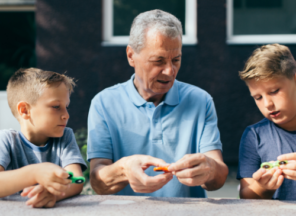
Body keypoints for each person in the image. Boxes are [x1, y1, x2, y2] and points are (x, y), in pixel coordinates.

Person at [88, 9, 228, 198]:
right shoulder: (104, 103)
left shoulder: (200, 101)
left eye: (176, 60)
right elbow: (98, 182)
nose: (170, 71)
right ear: (131, 56)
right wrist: (124, 169)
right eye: (158, 61)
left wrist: (209, 169)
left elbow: (218, 177)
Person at [0, 68, 87, 207]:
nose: (66, 115)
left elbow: (77, 180)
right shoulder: (6, 140)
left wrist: (55, 193)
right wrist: (35, 173)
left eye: (67, 107)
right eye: (56, 106)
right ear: (25, 110)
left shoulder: (65, 137)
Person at [237, 44, 296, 200]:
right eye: (258, 98)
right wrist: (264, 187)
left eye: (274, 91)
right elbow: (246, 197)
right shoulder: (254, 136)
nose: (267, 104)